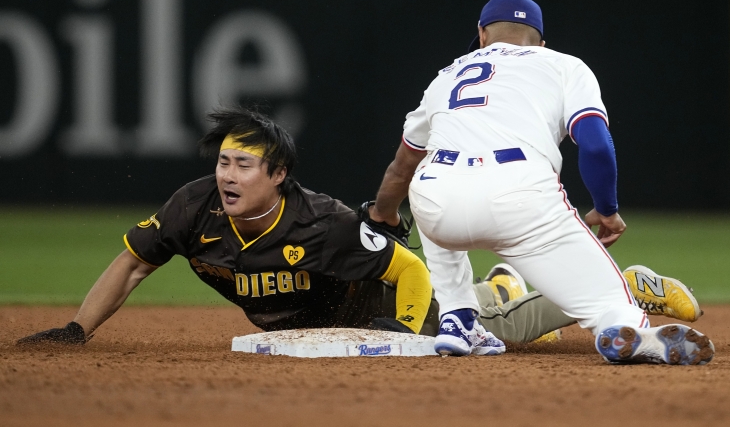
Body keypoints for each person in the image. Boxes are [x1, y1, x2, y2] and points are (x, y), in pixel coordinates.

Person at [17, 107, 702, 350]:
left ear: (278, 173)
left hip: (397, 305)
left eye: (243, 165)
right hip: (336, 322)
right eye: (223, 161)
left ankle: (627, 288)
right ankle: (499, 280)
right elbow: (133, 262)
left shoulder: (321, 220)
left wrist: (411, 346)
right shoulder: (191, 209)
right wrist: (79, 329)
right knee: (496, 303)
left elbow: (405, 269)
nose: (227, 175)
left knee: (508, 329)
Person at [368, 0, 715, 365]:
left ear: (482, 35)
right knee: (611, 305)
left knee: (431, 175)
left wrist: (381, 214)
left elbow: (403, 167)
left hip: (436, 198)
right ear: (540, 42)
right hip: (520, 195)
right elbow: (596, 147)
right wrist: (607, 209)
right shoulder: (564, 65)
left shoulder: (446, 76)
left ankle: (457, 317)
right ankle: (621, 326)